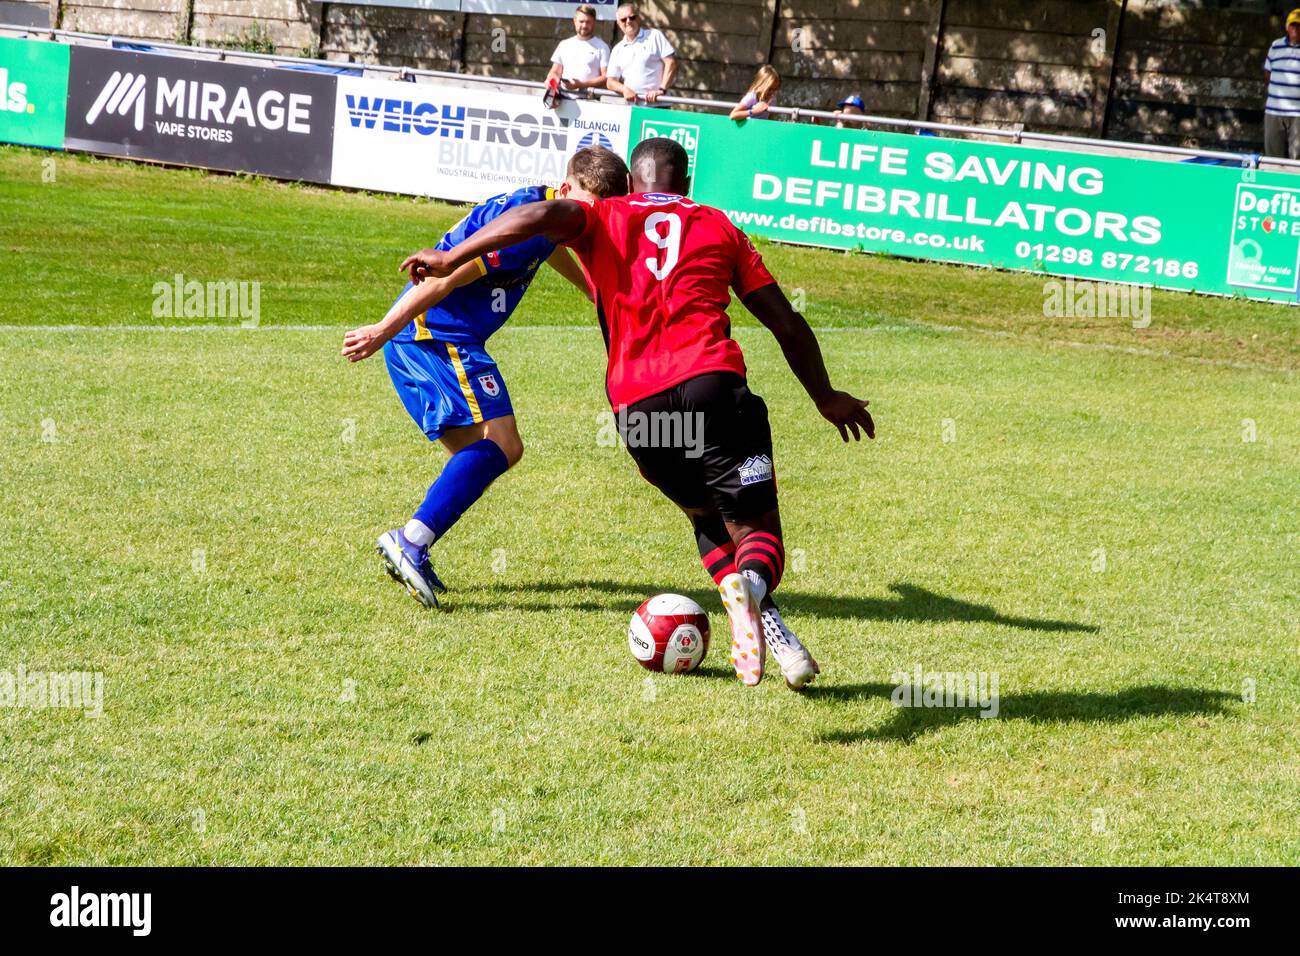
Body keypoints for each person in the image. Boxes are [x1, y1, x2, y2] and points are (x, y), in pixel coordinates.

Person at [400, 140, 875, 690]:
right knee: (755, 529)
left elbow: (540, 213)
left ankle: (768, 625)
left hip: (639, 410)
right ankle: (753, 588)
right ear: (685, 183)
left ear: (633, 184)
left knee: (704, 516)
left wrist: (450, 255)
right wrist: (824, 395)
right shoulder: (720, 227)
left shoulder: (603, 215)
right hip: (712, 390)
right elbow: (784, 321)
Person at [341, 148, 631, 608]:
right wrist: (382, 329)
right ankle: (409, 541)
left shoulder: (544, 213)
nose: (586, 219)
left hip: (437, 336)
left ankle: (416, 542)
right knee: (504, 444)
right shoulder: (525, 229)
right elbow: (445, 277)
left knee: (477, 456)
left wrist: (601, 296)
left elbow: (551, 247)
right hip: (435, 336)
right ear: (568, 186)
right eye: (588, 207)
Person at [605, 3, 676, 105]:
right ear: (618, 23)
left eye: (632, 17)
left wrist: (662, 89)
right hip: (632, 108)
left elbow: (671, 63)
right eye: (623, 19)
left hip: (658, 105)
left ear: (638, 18)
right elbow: (610, 82)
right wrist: (624, 89)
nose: (628, 21)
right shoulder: (617, 49)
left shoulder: (654, 36)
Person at [545, 4, 609, 98]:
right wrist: (551, 80)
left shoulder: (602, 47)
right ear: (575, 21)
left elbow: (606, 78)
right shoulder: (564, 44)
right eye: (581, 21)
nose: (584, 25)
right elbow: (555, 71)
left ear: (594, 22)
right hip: (563, 99)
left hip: (590, 100)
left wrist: (582, 84)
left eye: (588, 22)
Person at [1264, 9, 1300, 159]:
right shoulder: (1275, 46)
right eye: (1293, 25)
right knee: (1272, 156)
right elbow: (1267, 73)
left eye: (1299, 26)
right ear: (1287, 27)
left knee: (1297, 159)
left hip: (1298, 112)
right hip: (1274, 110)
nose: (1296, 29)